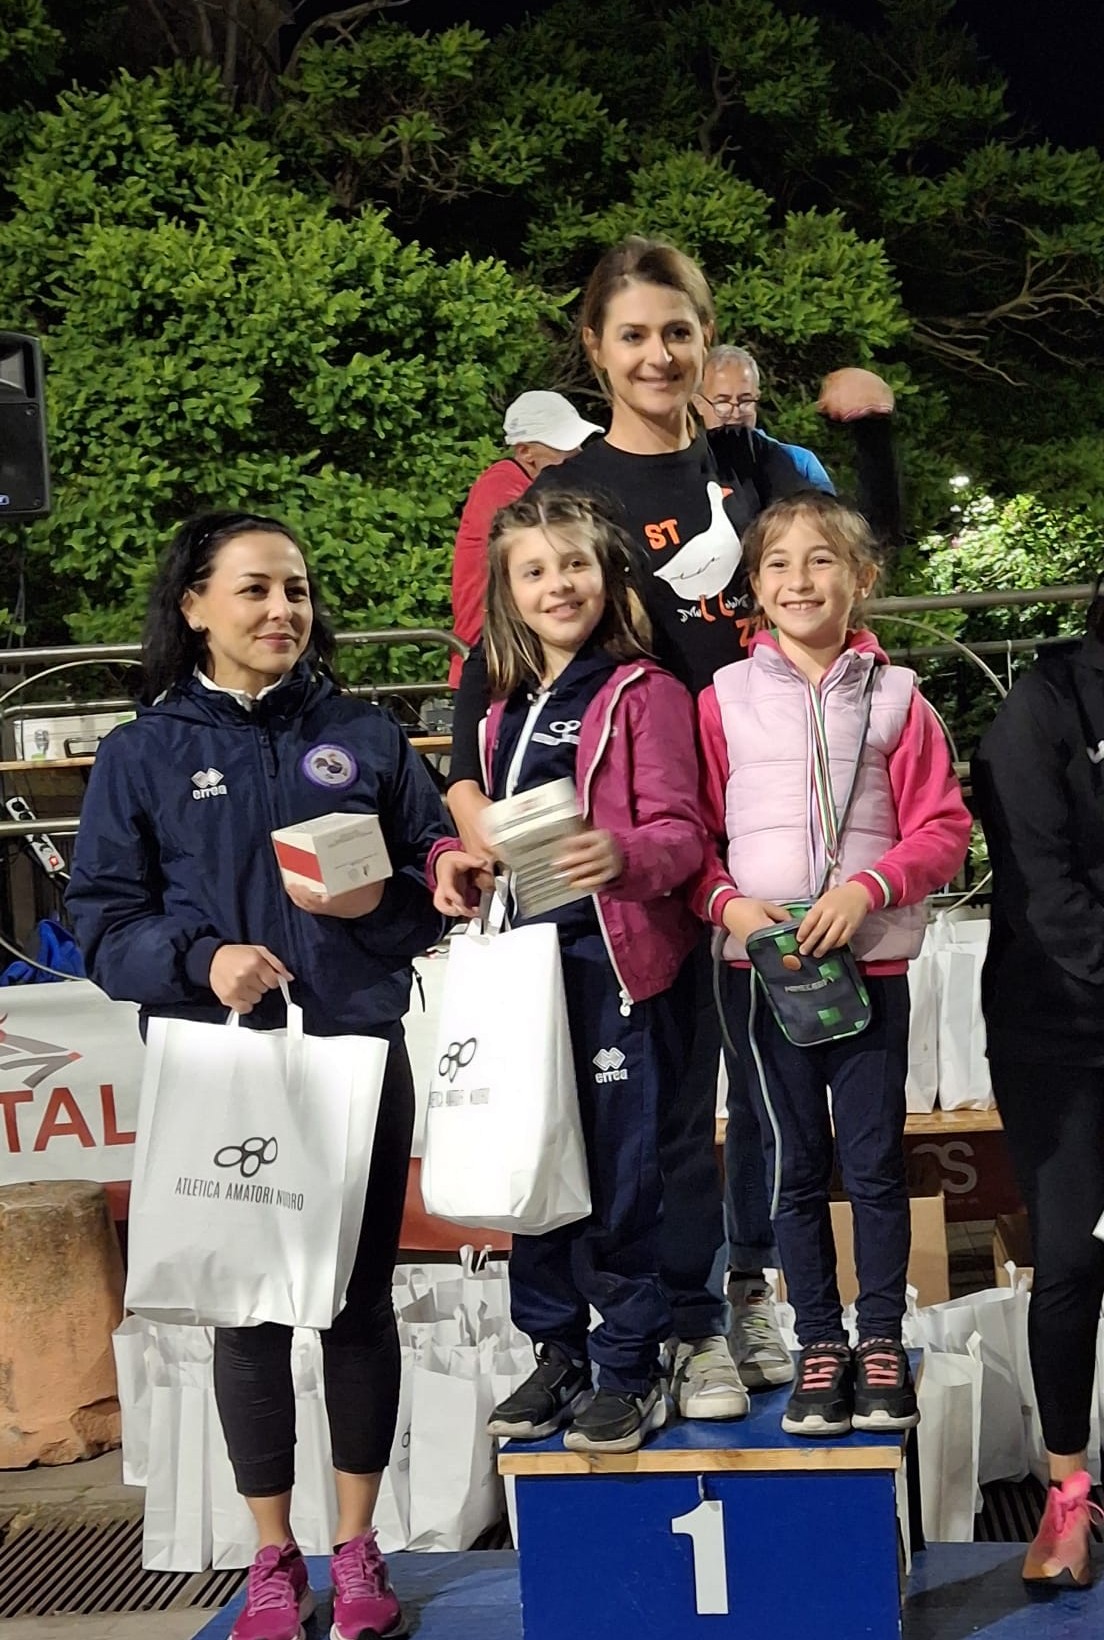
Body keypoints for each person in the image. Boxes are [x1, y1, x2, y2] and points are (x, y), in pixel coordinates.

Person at [447, 236, 901, 1420]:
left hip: (765, 838)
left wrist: (872, 435)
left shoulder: (754, 463)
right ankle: (667, 1319)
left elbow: (860, 553)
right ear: (594, 348)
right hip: (640, 854)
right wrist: (471, 814)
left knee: (770, 1093)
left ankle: (745, 1296)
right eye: (635, 334)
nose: (659, 355)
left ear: (706, 339)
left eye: (680, 332)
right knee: (654, 1105)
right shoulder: (564, 496)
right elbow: (485, 676)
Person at [66, 510, 450, 1640]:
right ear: (194, 606)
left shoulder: (364, 735)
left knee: (356, 1301)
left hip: (354, 1051)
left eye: (297, 589)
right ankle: (272, 1556)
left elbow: (430, 888)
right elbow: (102, 923)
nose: (283, 609)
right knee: (249, 1311)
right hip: (222, 1063)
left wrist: (392, 902)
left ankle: (360, 1548)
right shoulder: (142, 752)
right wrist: (202, 962)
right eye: (254, 590)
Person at [429, 489, 704, 1453]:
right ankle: (558, 1351)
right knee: (532, 1157)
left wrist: (624, 855)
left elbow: (684, 834)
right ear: (507, 591)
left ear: (608, 575)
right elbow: (476, 835)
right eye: (534, 571)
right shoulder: (501, 708)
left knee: (621, 1172)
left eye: (574, 564)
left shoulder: (644, 692)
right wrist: (455, 863)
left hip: (611, 966)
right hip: (522, 967)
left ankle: (631, 1361)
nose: (558, 585)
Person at [694, 490, 970, 1436]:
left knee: (875, 1161)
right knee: (793, 1164)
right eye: (778, 563)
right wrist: (729, 905)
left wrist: (871, 888)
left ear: (862, 578)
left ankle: (880, 1335)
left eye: (822, 560)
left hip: (871, 972)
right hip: (763, 978)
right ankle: (817, 1339)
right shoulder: (721, 700)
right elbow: (694, 840)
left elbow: (943, 828)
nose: (800, 579)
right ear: (753, 585)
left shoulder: (899, 698)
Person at [973, 594, 1104, 1585]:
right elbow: (1040, 887)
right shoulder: (1045, 701)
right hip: (1058, 1029)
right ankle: (1067, 1491)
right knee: (1070, 1259)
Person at [448, 389, 603, 685]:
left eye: (577, 443)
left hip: (516, 649)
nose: (576, 453)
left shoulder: (521, 485)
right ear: (524, 452)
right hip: (500, 656)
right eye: (564, 445)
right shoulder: (505, 491)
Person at [695, 344, 834, 490]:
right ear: (699, 404)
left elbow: (825, 505)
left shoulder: (800, 463)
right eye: (722, 402)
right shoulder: (686, 463)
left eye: (745, 400)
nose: (736, 414)